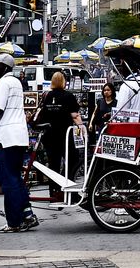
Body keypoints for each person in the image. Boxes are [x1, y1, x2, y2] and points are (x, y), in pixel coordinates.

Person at [0, 53, 38, 233]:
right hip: (18, 136)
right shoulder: (16, 82)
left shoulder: (3, 83)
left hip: (6, 137)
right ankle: (27, 215)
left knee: (8, 181)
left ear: (5, 68)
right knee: (16, 179)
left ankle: (13, 222)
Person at [37, 72, 84, 201]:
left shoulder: (47, 96)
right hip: (65, 135)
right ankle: (68, 188)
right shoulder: (68, 96)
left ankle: (54, 192)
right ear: (64, 81)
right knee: (73, 161)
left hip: (50, 135)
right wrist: (82, 129)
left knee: (53, 164)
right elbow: (75, 115)